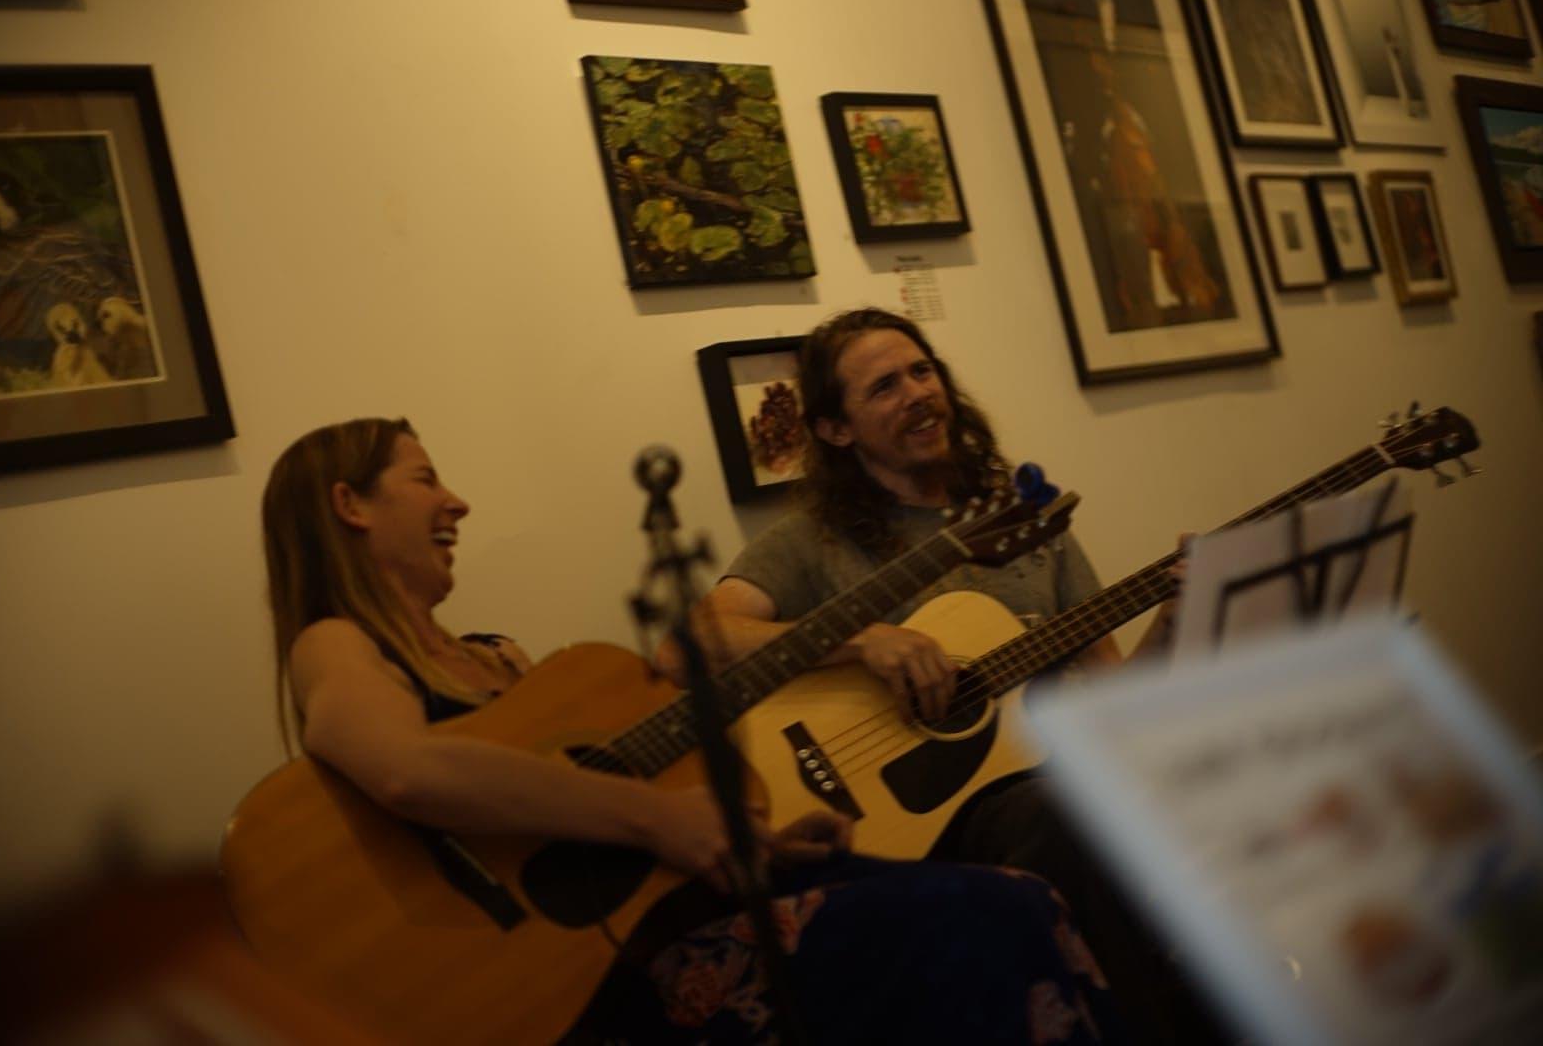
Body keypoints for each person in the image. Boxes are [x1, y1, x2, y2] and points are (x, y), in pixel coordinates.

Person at [260, 416, 1127, 1044]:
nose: (457, 502)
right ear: (350, 504)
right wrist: (657, 818)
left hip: (679, 915)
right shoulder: (336, 644)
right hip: (606, 977)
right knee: (991, 914)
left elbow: (595, 838)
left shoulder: (502, 661)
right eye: (424, 479)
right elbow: (407, 772)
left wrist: (763, 838)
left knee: (1020, 899)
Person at [692, 307, 1215, 1042]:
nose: (916, 393)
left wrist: (1174, 617)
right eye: (883, 387)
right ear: (837, 430)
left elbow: (1111, 697)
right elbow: (697, 640)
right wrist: (862, 640)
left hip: (1033, 783)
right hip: (909, 820)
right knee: (1070, 816)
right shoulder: (811, 542)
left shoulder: (1022, 524)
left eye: (922, 370)